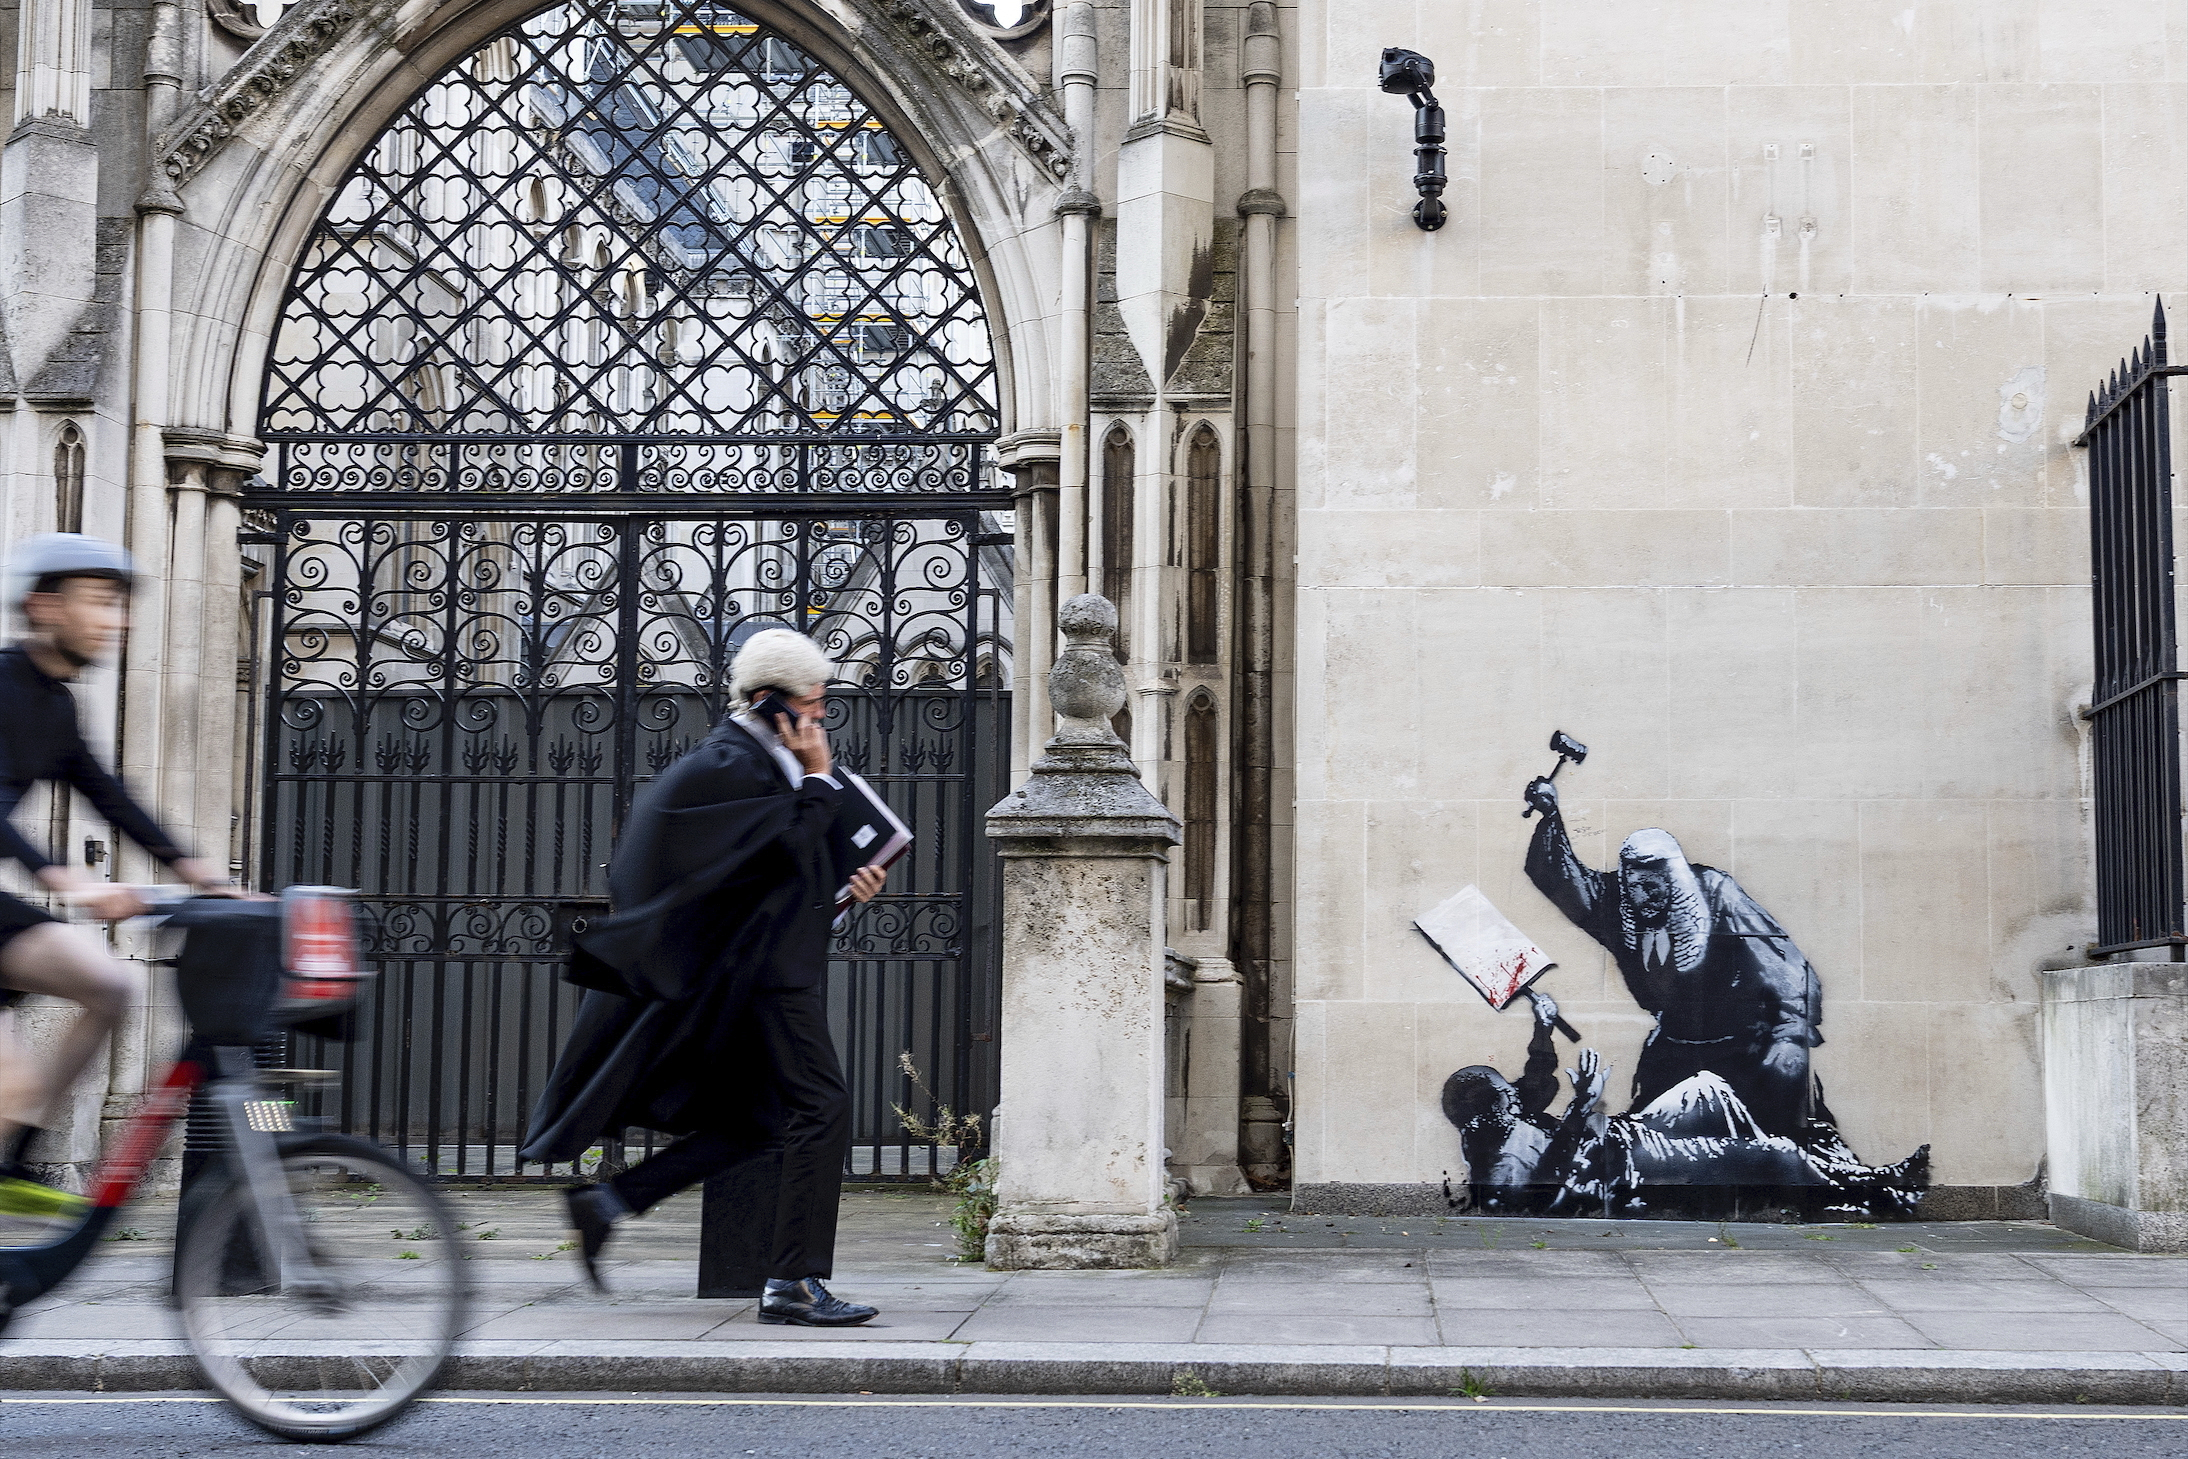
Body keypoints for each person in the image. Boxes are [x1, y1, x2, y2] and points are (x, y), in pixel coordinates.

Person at [520, 629, 887, 1326]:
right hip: (762, 983)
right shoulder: (729, 762)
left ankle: (607, 1203)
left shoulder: (762, 760)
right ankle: (793, 1282)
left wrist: (845, 893)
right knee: (824, 1107)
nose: (824, 715)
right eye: (816, 702)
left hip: (762, 971)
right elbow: (772, 849)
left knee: (758, 1122)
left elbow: (770, 876)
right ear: (774, 702)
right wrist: (817, 779)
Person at [0, 535, 235, 1214]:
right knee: (11, 1084)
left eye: (121, 604)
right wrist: (65, 877)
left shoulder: (56, 704)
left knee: (107, 983)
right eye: (101, 601)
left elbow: (109, 795)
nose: (119, 619)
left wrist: (199, 873)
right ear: (45, 605)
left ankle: (16, 1162)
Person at [1442, 990, 1930, 1220]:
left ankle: (1820, 1182)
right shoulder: (1500, 1164)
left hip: (1624, 1134)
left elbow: (1537, 1078)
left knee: (1706, 1087)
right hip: (1625, 1161)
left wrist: (1543, 1024)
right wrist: (1579, 1110)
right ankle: (1870, 1187)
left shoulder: (1510, 1114)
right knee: (1771, 1153)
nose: (1515, 1090)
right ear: (1486, 1110)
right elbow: (1537, 1204)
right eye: (1503, 1090)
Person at [1522, 773, 1822, 1136]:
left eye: (1651, 887)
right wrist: (1550, 814)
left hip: (1741, 1052)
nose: (1640, 898)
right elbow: (1564, 881)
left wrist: (1789, 1037)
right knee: (1646, 1146)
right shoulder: (1620, 905)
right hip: (1674, 1050)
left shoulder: (1716, 895)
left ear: (1674, 881)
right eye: (1632, 887)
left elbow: (1787, 970)